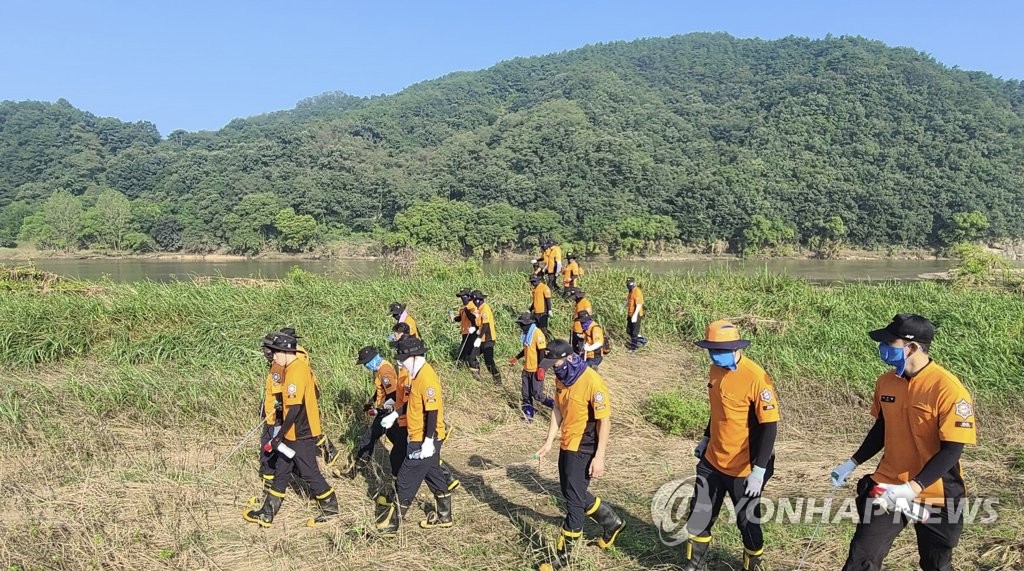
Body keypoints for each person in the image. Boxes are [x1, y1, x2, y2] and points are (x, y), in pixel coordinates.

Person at [831, 314, 977, 571]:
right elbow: (882, 428)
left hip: (937, 493)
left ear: (911, 347)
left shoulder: (948, 389)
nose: (883, 347)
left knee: (936, 564)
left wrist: (913, 487)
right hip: (888, 486)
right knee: (861, 560)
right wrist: (852, 462)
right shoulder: (886, 383)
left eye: (890, 342)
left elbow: (953, 449)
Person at [679, 321, 779, 571]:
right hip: (713, 460)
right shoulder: (715, 370)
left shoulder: (756, 378)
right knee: (700, 513)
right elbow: (719, 410)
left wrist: (758, 470)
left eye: (720, 350)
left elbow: (769, 427)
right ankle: (694, 565)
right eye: (711, 350)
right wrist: (705, 438)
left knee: (746, 520)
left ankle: (752, 565)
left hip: (745, 467)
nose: (714, 355)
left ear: (736, 348)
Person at [534, 340, 625, 570]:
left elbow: (604, 421)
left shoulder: (593, 382)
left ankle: (563, 559)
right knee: (569, 490)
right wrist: (548, 442)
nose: (554, 368)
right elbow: (557, 409)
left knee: (573, 502)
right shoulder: (561, 378)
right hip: (567, 443)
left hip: (585, 447)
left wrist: (600, 457)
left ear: (569, 358)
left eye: (556, 363)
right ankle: (611, 521)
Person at [245, 331, 340, 528]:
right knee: (282, 469)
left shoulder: (296, 370)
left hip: (300, 430)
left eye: (276, 352)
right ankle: (267, 512)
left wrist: (279, 435)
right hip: (292, 431)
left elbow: (295, 408)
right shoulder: (290, 368)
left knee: (309, 471)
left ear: (285, 351)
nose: (274, 357)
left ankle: (330, 508)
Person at [377, 337, 455, 534]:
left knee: (406, 478)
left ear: (413, 357)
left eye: (403, 360)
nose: (400, 364)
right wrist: (395, 413)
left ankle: (393, 524)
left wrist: (428, 441)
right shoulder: (416, 375)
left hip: (424, 437)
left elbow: (432, 411)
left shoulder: (427, 378)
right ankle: (444, 516)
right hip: (417, 433)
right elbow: (411, 403)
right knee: (433, 473)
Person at [353, 346, 398, 463]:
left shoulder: (384, 371)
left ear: (371, 360)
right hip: (388, 411)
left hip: (387, 412)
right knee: (399, 442)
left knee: (369, 438)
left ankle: (356, 466)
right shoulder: (380, 368)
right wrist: (370, 402)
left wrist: (381, 410)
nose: (365, 366)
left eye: (365, 363)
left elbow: (393, 394)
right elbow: (381, 390)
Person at [510, 313, 553, 423]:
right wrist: (516, 358)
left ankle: (556, 407)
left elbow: (542, 352)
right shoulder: (526, 335)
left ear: (528, 324)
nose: (521, 326)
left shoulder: (537, 334)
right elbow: (526, 350)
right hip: (526, 369)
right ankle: (528, 416)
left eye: (522, 324)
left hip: (535, 369)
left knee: (537, 395)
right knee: (525, 394)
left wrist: (541, 368)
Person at [468, 290, 501, 383]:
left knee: (489, 362)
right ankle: (476, 377)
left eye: (474, 300)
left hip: (488, 339)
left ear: (478, 300)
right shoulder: (478, 310)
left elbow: (486, 325)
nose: (473, 302)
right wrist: (474, 328)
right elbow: (480, 324)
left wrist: (478, 338)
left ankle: (497, 379)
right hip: (481, 339)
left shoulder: (485, 308)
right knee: (472, 357)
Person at [452, 288, 478, 365]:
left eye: (463, 296)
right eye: (461, 297)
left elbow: (474, 319)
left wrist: (467, 310)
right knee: (469, 352)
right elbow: (460, 318)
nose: (461, 298)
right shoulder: (463, 308)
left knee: (462, 352)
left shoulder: (473, 306)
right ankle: (474, 367)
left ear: (469, 297)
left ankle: (459, 367)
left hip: (471, 333)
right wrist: (455, 318)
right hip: (465, 333)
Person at [625, 277, 647, 352]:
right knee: (629, 331)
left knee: (634, 332)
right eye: (628, 284)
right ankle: (642, 340)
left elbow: (639, 305)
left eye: (630, 284)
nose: (629, 285)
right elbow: (629, 300)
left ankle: (633, 348)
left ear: (634, 283)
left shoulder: (637, 291)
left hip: (636, 314)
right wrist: (623, 307)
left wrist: (635, 315)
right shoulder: (630, 291)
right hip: (630, 314)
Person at [568, 288, 592, 355]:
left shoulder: (586, 303)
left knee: (580, 350)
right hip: (575, 328)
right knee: (572, 348)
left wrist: (584, 331)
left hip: (581, 330)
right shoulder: (577, 303)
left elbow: (588, 318)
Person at [530, 274, 553, 339]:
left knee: (543, 329)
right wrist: (530, 309)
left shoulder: (544, 287)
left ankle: (549, 340)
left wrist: (549, 310)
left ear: (538, 280)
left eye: (534, 281)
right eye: (532, 282)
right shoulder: (535, 289)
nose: (532, 283)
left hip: (543, 312)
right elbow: (535, 301)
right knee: (537, 328)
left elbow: (548, 299)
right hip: (536, 312)